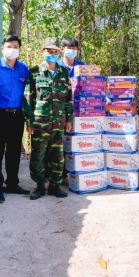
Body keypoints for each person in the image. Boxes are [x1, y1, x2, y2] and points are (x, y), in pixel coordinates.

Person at [0, 34, 31, 203]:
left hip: (17, 116)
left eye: (16, 47)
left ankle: (12, 183)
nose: (12, 50)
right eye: (9, 46)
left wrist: (28, 117)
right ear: (2, 48)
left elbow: (28, 94)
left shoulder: (23, 69)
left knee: (14, 151)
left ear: (19, 49)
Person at [25, 38, 73, 200]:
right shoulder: (34, 72)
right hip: (40, 122)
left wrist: (68, 119)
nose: (52, 55)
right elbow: (27, 98)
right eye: (49, 51)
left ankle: (54, 185)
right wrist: (28, 121)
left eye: (54, 52)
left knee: (57, 155)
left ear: (58, 53)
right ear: (42, 52)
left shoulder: (63, 72)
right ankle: (39, 186)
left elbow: (68, 98)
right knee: (38, 154)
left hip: (59, 122)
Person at [58, 36, 85, 185]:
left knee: (74, 143)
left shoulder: (82, 67)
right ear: (62, 50)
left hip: (78, 112)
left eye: (75, 49)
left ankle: (72, 174)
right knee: (59, 143)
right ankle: (60, 175)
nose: (72, 51)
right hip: (58, 111)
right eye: (69, 48)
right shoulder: (55, 66)